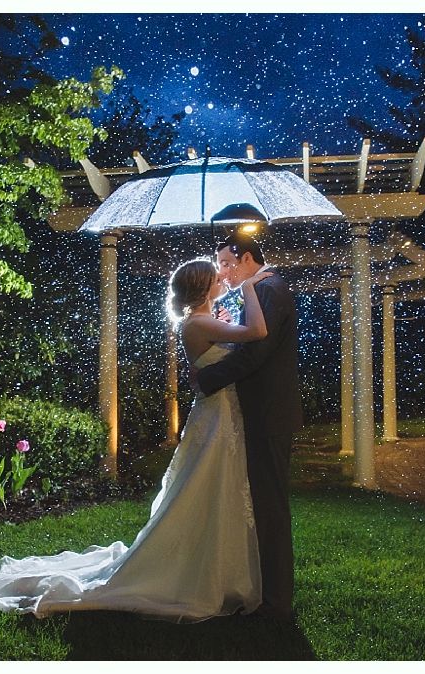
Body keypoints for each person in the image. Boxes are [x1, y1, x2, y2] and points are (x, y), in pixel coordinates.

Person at [0, 258, 273, 622]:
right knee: (208, 485)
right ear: (203, 288)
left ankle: (219, 565)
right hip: (216, 417)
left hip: (221, 414)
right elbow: (256, 332)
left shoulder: (205, 320)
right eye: (215, 275)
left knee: (216, 486)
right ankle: (199, 567)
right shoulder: (200, 323)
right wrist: (250, 287)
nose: (223, 276)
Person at [195, 232, 303, 622]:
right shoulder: (261, 290)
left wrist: (207, 377)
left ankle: (277, 603)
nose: (222, 272)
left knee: (271, 507)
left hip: (269, 413)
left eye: (225, 263)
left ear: (245, 258)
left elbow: (255, 354)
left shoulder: (270, 289)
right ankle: (266, 593)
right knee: (261, 504)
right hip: (261, 411)